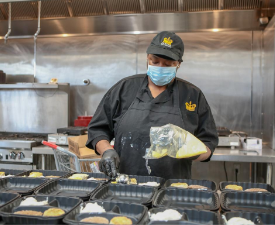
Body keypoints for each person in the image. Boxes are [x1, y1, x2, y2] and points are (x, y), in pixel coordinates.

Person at [86, 31, 218, 180]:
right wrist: (106, 151)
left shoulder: (192, 95)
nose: (160, 67)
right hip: (125, 185)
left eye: (168, 64)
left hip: (172, 188)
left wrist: (191, 150)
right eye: (154, 62)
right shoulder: (124, 88)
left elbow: (208, 144)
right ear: (147, 58)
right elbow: (97, 130)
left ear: (178, 64)